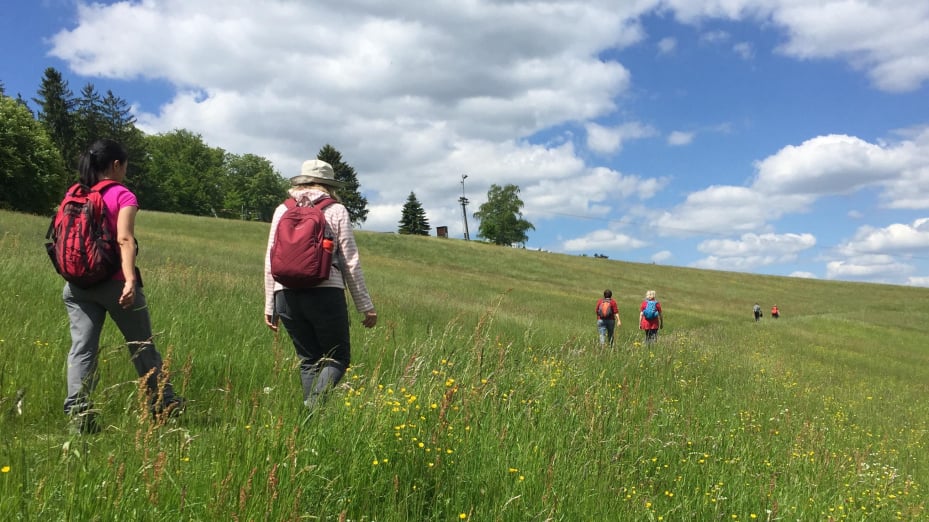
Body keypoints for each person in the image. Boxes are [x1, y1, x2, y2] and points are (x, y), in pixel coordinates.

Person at [61, 139, 183, 435]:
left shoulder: (74, 193)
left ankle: (80, 416)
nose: (126, 171)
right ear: (116, 165)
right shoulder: (122, 195)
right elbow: (125, 239)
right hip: (114, 283)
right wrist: (129, 279)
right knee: (142, 346)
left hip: (76, 285)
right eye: (125, 165)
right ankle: (163, 405)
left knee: (82, 350)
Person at [264, 159, 377, 413]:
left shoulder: (282, 209)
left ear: (302, 181)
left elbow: (270, 257)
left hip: (286, 293)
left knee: (308, 361)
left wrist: (270, 304)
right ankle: (315, 407)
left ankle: (310, 417)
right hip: (325, 292)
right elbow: (350, 260)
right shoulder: (336, 210)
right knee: (337, 358)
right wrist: (365, 305)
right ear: (329, 185)